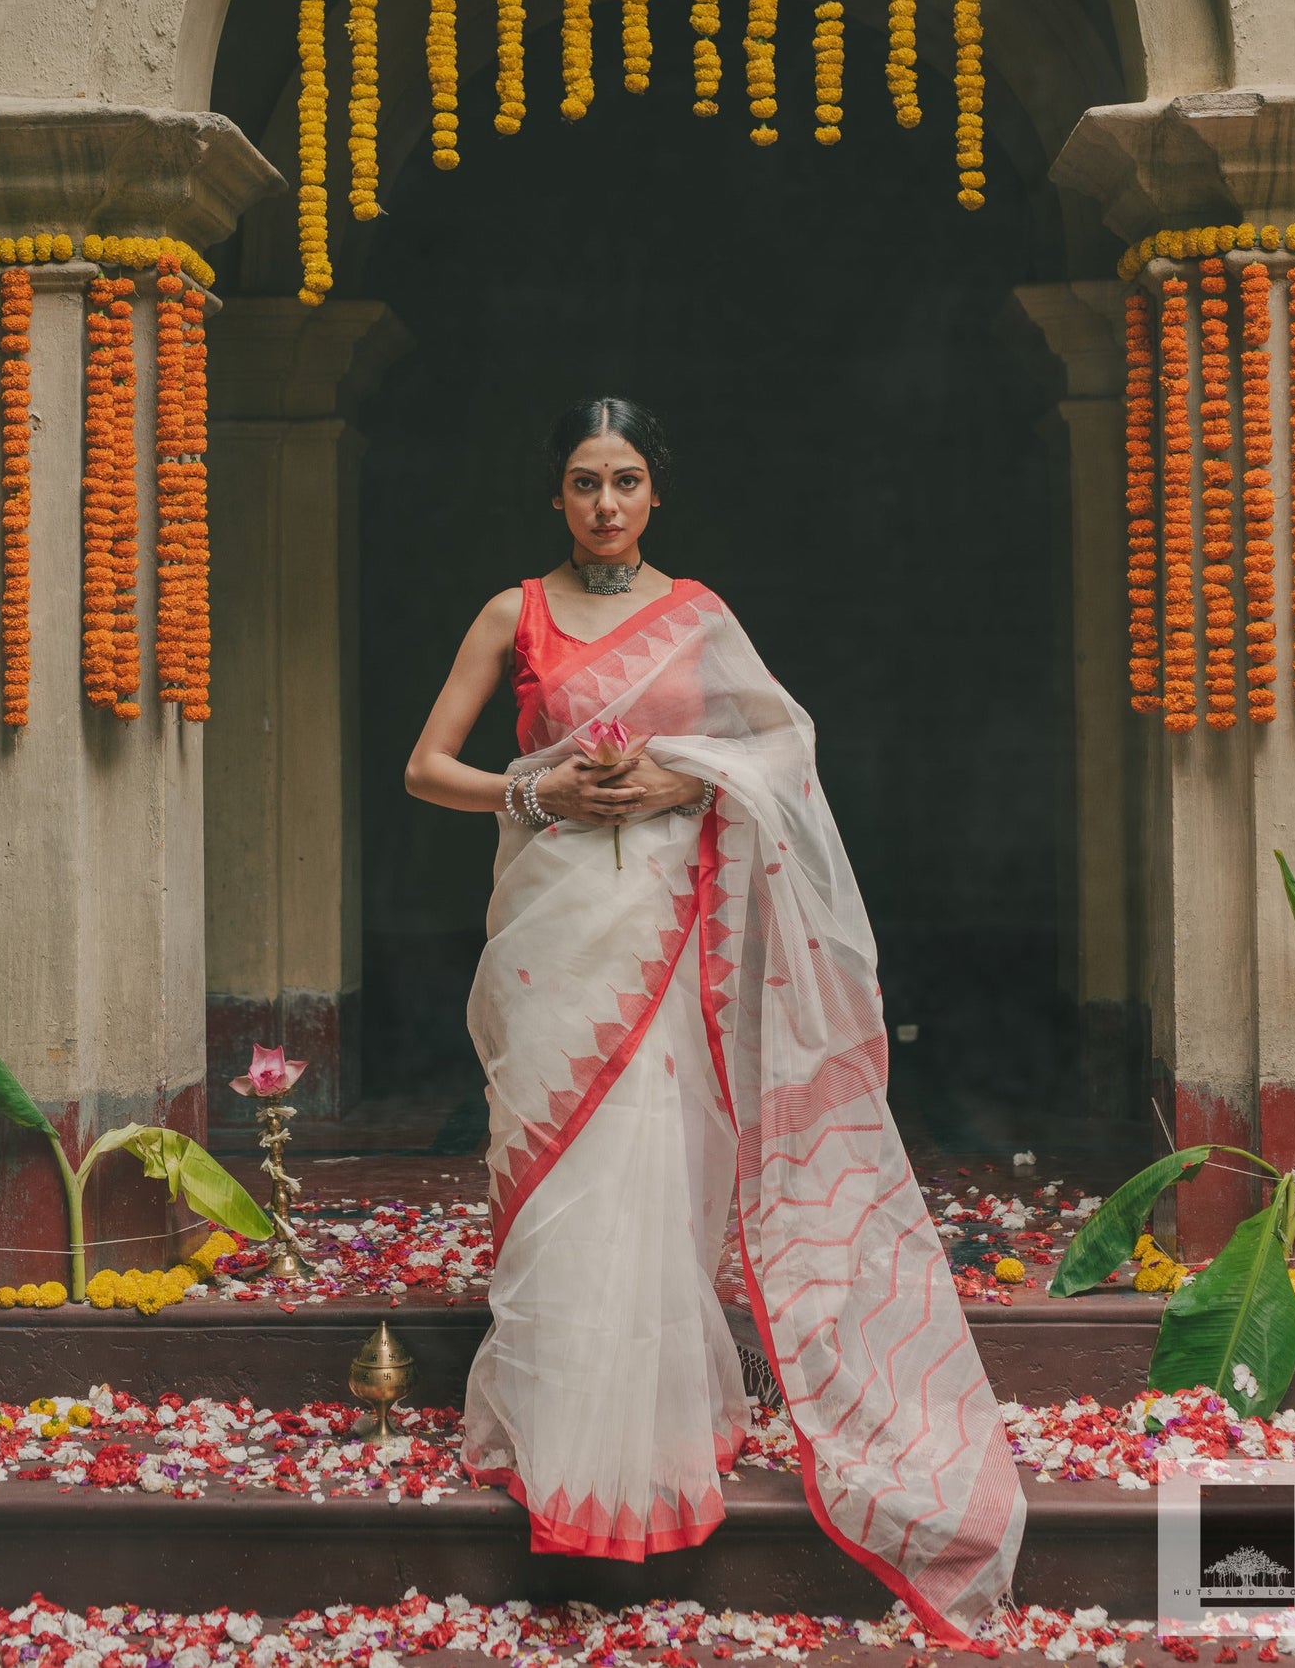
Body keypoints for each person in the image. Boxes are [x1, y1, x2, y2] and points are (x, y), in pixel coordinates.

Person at [405, 397, 1024, 1650]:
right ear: (556, 494)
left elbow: (783, 743)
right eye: (583, 481)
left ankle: (658, 1433)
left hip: (667, 930)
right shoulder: (507, 611)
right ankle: (562, 1438)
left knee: (657, 1168)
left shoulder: (700, 613)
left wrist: (686, 772)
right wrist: (541, 783)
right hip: (554, 931)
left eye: (625, 480)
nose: (605, 505)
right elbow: (429, 767)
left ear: (654, 491)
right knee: (565, 1172)